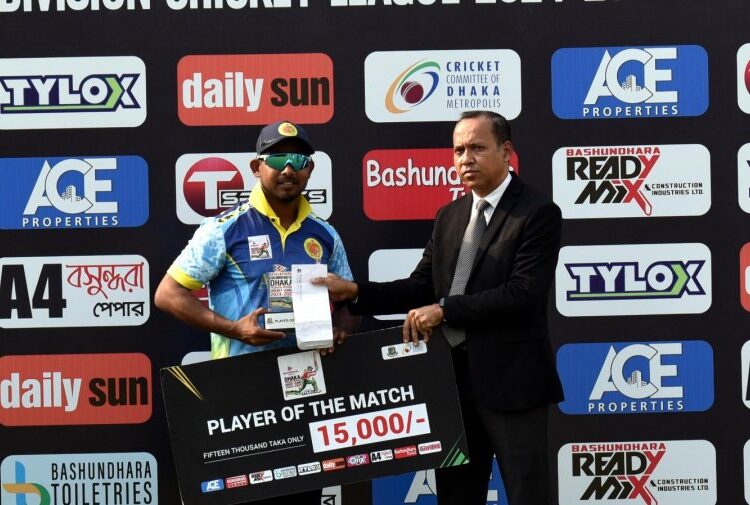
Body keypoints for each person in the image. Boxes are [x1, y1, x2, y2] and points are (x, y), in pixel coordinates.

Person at [313, 111, 564, 505]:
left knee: (526, 494)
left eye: (477, 148)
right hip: (450, 384)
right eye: (459, 150)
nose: (466, 159)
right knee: (456, 496)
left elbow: (523, 294)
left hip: (513, 384)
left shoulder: (537, 212)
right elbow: (419, 287)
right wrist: (355, 290)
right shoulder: (450, 215)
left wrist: (445, 310)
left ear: (506, 151)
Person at [155, 120, 354, 505]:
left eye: (299, 160)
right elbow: (168, 294)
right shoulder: (224, 228)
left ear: (310, 169)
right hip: (239, 393)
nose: (288, 168)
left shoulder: (325, 234)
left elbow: (349, 302)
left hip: (304, 389)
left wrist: (340, 329)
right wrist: (235, 329)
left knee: (301, 498)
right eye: (277, 159)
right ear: (256, 167)